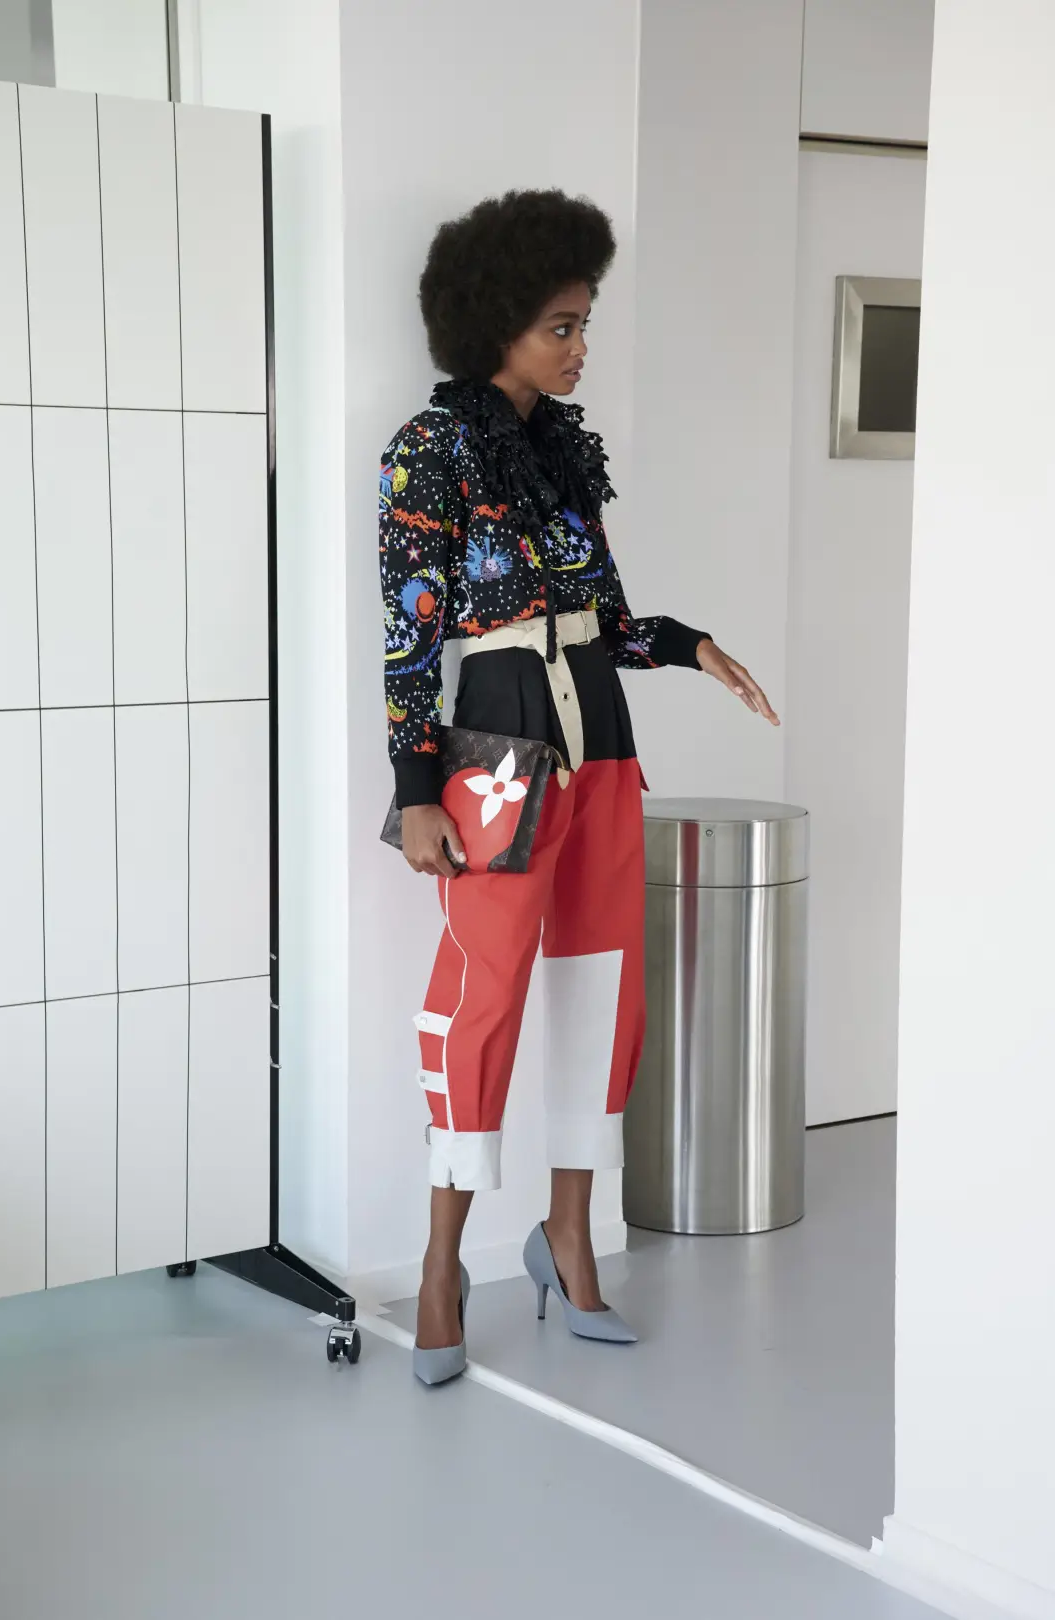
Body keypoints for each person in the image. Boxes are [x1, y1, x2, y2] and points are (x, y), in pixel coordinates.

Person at [379, 189, 778, 1386]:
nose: (581, 346)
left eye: (585, 322)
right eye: (562, 325)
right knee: (483, 996)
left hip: (600, 740)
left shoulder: (563, 455)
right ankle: (442, 1265)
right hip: (497, 755)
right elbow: (409, 638)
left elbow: (604, 620)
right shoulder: (429, 451)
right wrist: (414, 788)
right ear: (495, 320)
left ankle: (567, 1237)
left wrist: (689, 643)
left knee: (606, 995)